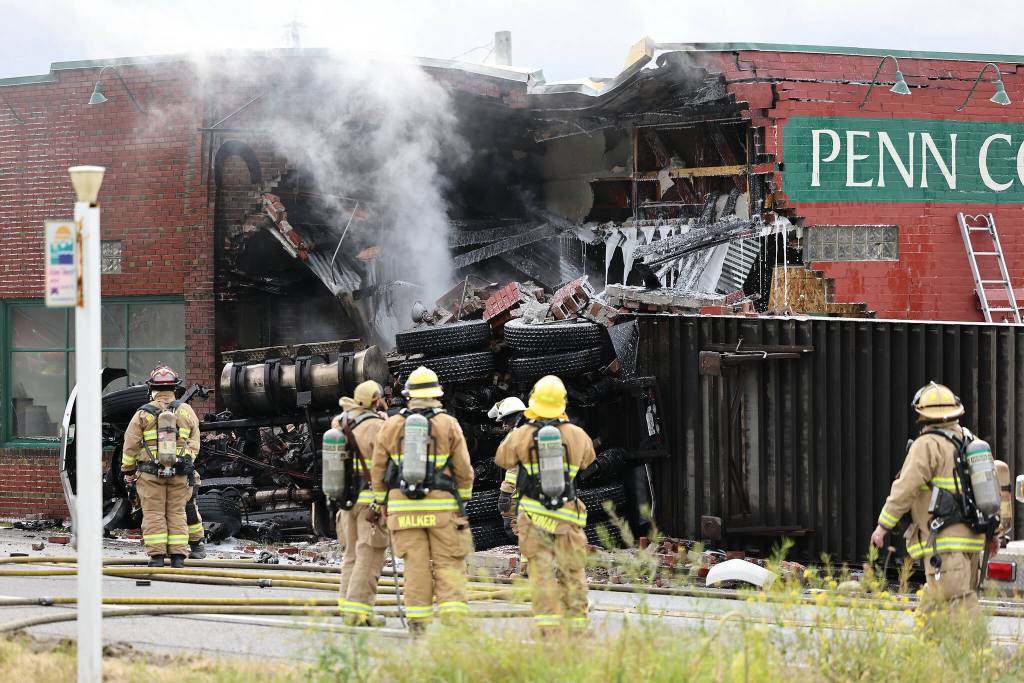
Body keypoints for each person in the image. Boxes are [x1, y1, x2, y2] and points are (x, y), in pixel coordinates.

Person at [371, 366, 474, 633]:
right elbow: (463, 469)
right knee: (448, 563)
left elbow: (379, 470)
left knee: (415, 565)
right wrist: (461, 501)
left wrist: (382, 504)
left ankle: (418, 622)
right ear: (436, 395)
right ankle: (455, 623)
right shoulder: (448, 424)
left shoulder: (392, 425)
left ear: (409, 396)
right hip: (442, 509)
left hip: (402, 511)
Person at [870, 382, 988, 612]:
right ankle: (923, 647)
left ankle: (976, 647)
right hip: (973, 540)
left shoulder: (927, 444)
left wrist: (883, 526)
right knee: (935, 604)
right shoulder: (970, 441)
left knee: (959, 603)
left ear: (922, 414)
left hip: (945, 541)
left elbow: (905, 488)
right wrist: (994, 535)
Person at [494, 375, 595, 633]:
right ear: (562, 404)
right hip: (567, 517)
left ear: (534, 404)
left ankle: (547, 627)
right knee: (572, 571)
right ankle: (576, 624)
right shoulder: (577, 435)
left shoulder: (521, 435)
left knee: (540, 571)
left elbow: (502, 459)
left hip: (533, 517)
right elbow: (588, 461)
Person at [121, 366, 200, 568]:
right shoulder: (186, 410)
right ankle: (178, 558)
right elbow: (195, 441)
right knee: (177, 512)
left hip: (150, 474)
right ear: (175, 388)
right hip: (180, 473)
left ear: (151, 388)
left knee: (154, 513)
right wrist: (187, 461)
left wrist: (128, 470)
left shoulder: (142, 414)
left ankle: (157, 558)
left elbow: (130, 445)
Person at [335, 381, 389, 626]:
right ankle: (359, 612)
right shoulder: (379, 427)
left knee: (351, 556)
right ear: (375, 400)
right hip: (371, 504)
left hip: (347, 501)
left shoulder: (342, 422)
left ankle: (347, 608)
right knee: (369, 556)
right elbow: (387, 465)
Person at [489, 397, 527, 539]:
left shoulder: (515, 437)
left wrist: (506, 493)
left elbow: (514, 469)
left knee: (513, 527)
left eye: (506, 420)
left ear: (517, 416)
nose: (503, 425)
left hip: (517, 492)